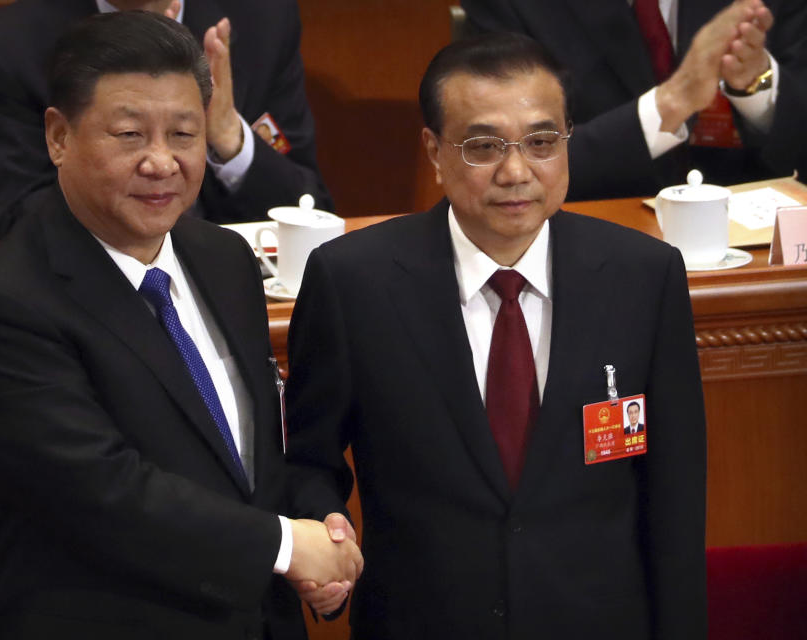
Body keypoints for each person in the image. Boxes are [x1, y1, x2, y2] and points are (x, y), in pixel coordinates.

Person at [0, 12, 359, 638]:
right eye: (130, 135)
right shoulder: (3, 310)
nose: (161, 162)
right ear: (58, 136)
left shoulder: (224, 259)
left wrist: (321, 528)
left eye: (184, 134)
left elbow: (257, 454)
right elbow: (103, 497)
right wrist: (283, 546)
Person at [284, 33, 707, 638]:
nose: (516, 171)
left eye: (541, 142)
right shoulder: (353, 281)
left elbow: (676, 498)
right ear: (433, 150)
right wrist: (324, 530)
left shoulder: (646, 275)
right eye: (483, 146)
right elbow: (307, 459)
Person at [0, 0, 332, 252]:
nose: (162, 164)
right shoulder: (9, 47)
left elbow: (309, 206)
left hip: (245, 299)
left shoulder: (262, 17)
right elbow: (10, 227)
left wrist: (229, 140)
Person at [459, 0, 807, 200]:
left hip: (758, 245)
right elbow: (508, 161)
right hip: (595, 237)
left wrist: (757, 84)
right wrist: (669, 105)